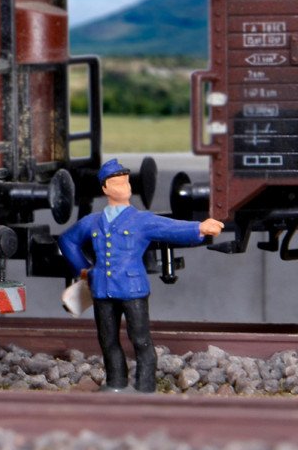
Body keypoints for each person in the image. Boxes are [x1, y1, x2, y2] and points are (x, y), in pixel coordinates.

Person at [58, 159, 223, 393]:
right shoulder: (93, 221)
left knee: (141, 340)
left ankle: (145, 386)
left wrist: (199, 228)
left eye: (126, 182)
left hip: (132, 289)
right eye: (117, 183)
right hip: (102, 288)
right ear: (105, 189)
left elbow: (170, 227)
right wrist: (83, 269)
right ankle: (116, 383)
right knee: (108, 340)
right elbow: (68, 240)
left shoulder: (141, 220)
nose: (124, 187)